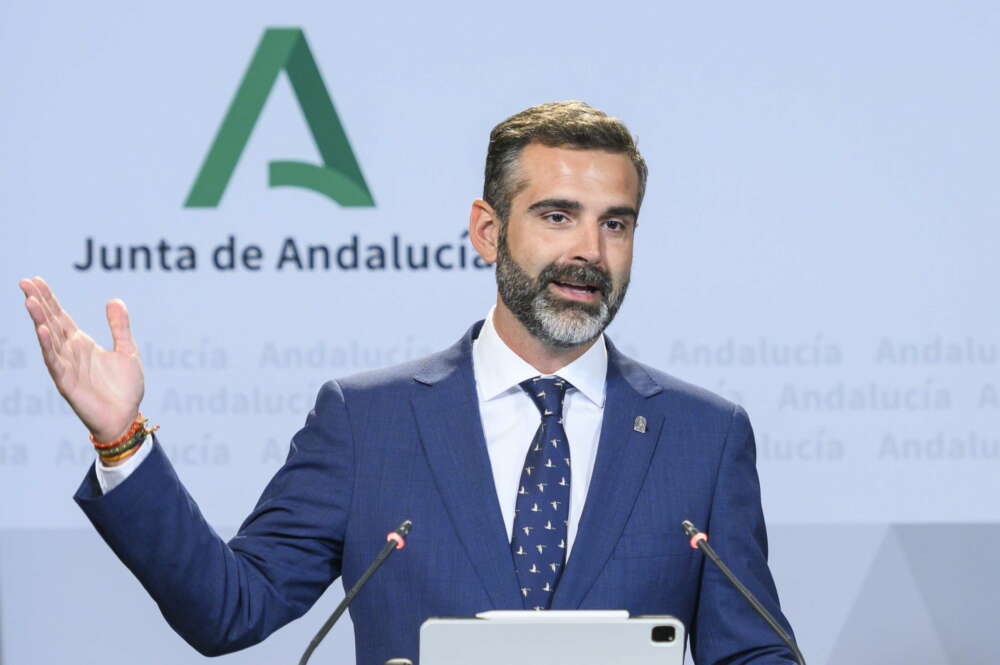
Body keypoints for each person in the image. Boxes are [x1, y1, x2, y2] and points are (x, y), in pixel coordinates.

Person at [19, 101, 798, 664]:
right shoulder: (367, 423)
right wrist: (120, 438)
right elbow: (230, 608)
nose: (590, 250)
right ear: (487, 230)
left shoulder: (703, 435)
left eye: (616, 223)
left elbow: (753, 649)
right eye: (558, 216)